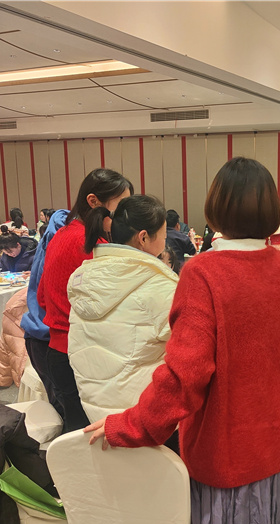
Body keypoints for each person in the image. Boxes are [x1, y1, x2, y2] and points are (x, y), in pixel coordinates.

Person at [84, 157, 280, 524]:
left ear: (215, 207)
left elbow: (184, 376)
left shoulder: (204, 272)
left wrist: (130, 424)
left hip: (229, 457)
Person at [68, 194, 178, 421]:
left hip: (95, 409)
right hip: (141, 416)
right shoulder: (159, 286)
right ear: (143, 237)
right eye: (164, 236)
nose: (165, 241)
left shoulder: (84, 276)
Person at [39, 168, 133, 432]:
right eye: (120, 206)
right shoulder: (92, 245)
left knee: (77, 430)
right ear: (93, 201)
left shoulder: (61, 234)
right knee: (91, 435)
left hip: (58, 351)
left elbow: (41, 297)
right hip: (81, 354)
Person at [20, 209, 69, 422]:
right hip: (52, 337)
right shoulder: (66, 240)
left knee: (63, 409)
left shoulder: (54, 236)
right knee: (68, 413)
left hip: (38, 334)